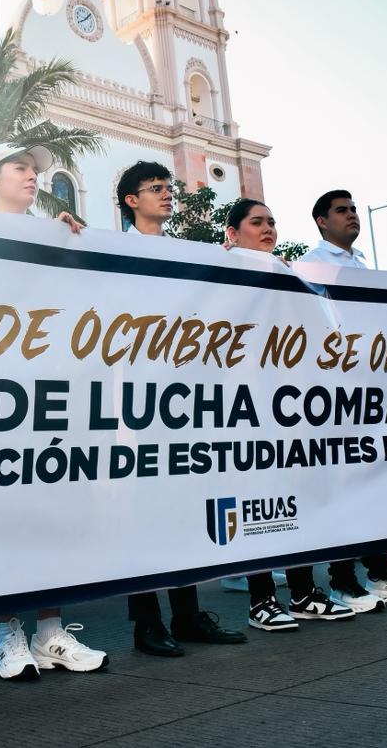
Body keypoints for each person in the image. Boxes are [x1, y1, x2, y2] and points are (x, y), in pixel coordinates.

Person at [0, 142, 107, 680]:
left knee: (55, 510)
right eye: (21, 168)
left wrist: (63, 242)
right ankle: (8, 634)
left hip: (50, 393)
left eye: (36, 170)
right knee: (4, 515)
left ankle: (52, 631)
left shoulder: (55, 230)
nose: (33, 176)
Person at [116, 162, 248, 653]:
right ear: (131, 200)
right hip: (135, 400)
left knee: (183, 508)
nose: (167, 195)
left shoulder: (185, 252)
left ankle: (188, 615)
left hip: (185, 398)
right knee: (143, 515)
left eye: (169, 187)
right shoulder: (112, 248)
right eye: (156, 189)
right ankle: (147, 624)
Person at [224, 199, 355, 629]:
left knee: (298, 497)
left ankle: (304, 592)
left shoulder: (290, 276)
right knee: (255, 503)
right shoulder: (219, 275)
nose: (268, 228)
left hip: (291, 408)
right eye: (256, 222)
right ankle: (261, 600)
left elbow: (325, 331)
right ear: (233, 232)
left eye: (272, 222)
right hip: (243, 409)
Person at [299, 191, 387, 611]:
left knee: (373, 485)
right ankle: (343, 579)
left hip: (367, 388)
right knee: (341, 488)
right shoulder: (312, 262)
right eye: (342, 211)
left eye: (354, 209)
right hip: (333, 390)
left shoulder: (361, 265)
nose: (352, 216)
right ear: (322, 221)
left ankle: (381, 573)